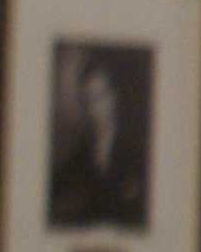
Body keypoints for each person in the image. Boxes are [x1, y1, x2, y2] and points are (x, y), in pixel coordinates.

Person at [46, 45, 149, 231]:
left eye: (101, 96)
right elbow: (54, 186)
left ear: (113, 97)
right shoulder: (83, 149)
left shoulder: (136, 147)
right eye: (90, 100)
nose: (96, 109)